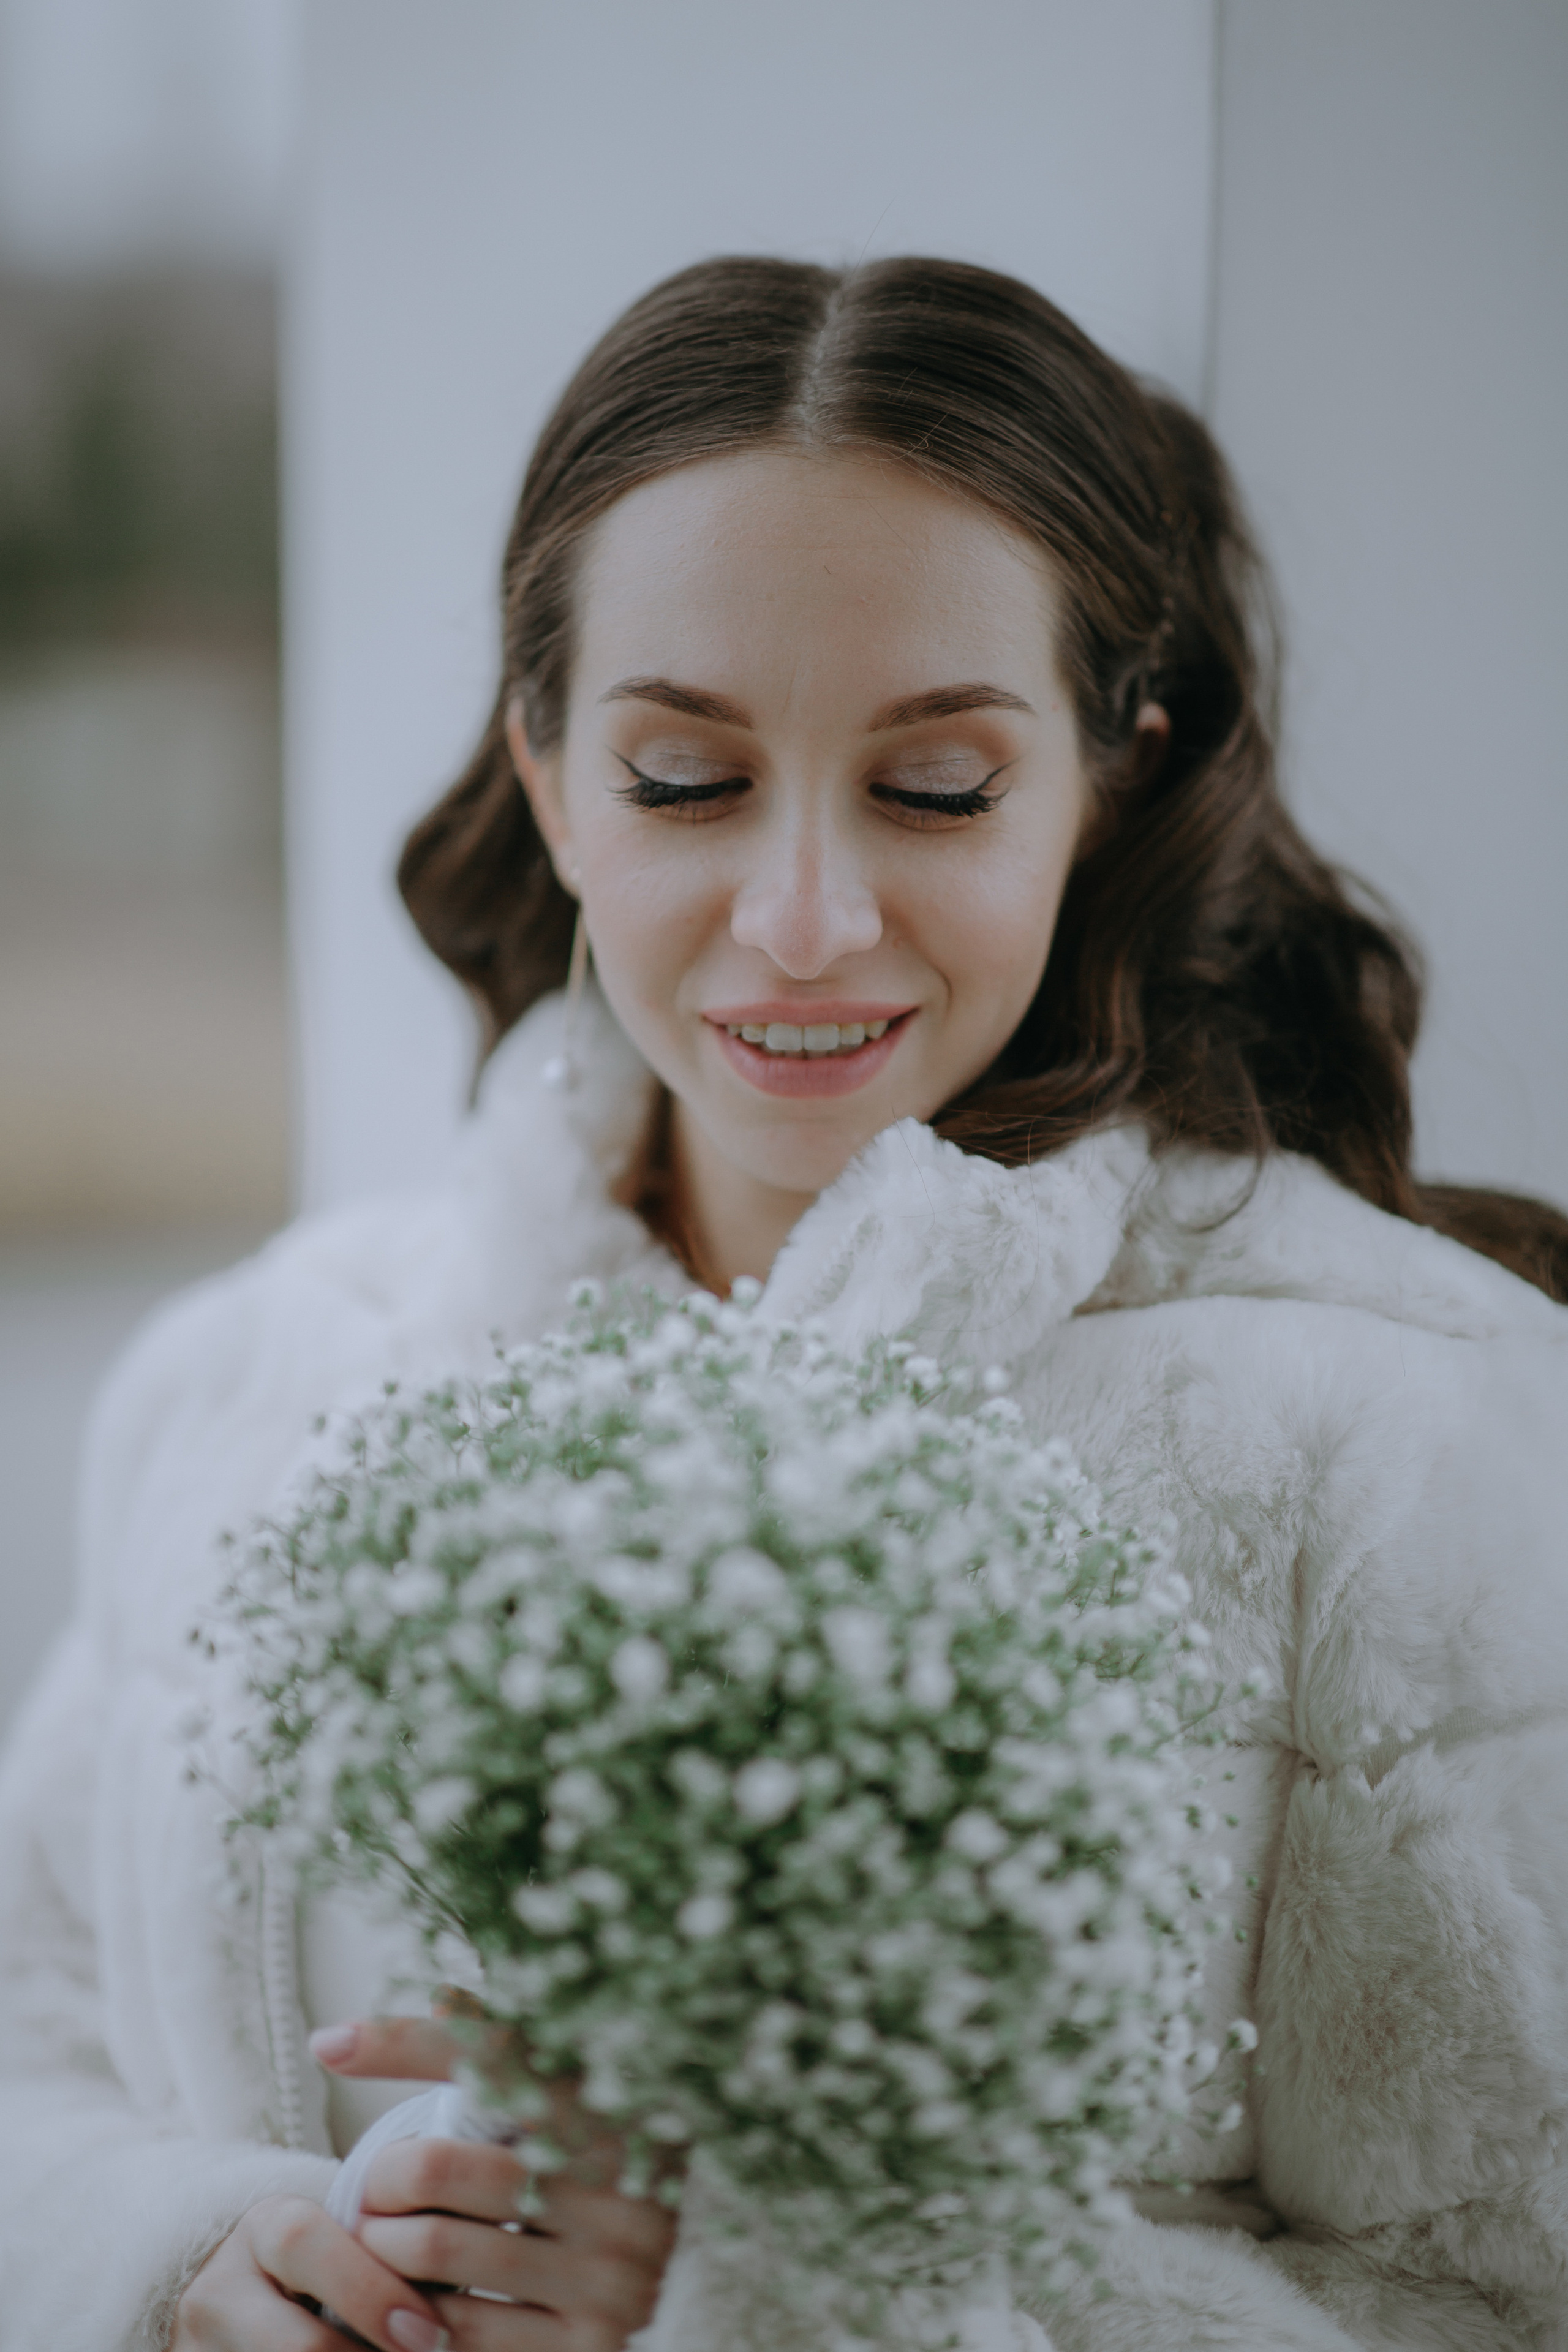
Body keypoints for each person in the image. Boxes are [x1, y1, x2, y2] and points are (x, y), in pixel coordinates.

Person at [2, 255, 1565, 2352]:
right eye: (684, 780)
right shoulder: (245, 1387)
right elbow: (38, 2048)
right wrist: (176, 2256)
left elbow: (1493, 2297)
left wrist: (751, 2303)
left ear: (1110, 771)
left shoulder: (1410, 1456)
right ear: (547, 771)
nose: (806, 920)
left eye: (935, 788)